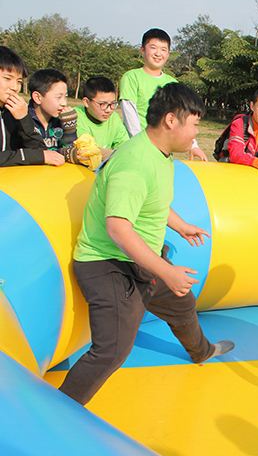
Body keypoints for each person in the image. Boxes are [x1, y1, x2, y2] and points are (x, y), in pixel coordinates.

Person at [58, 83, 234, 406]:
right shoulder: (136, 162)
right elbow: (118, 229)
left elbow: (153, 200)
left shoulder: (159, 153)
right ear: (171, 120)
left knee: (182, 302)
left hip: (141, 259)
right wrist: (166, 272)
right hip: (109, 264)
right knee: (112, 350)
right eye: (195, 124)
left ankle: (202, 351)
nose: (197, 132)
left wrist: (180, 225)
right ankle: (57, 413)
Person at [119, 28, 206, 162]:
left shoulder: (172, 83)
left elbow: (183, 117)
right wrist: (141, 143)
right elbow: (130, 114)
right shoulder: (131, 77)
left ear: (168, 54)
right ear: (142, 50)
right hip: (137, 147)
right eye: (153, 48)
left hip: (163, 149)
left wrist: (194, 146)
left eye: (163, 49)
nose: (158, 53)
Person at [0, 47, 63, 167]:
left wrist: (24, 119)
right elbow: (36, 155)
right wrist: (29, 156)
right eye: (7, 78)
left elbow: (39, 149)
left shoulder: (12, 111)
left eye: (19, 81)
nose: (14, 87)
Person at [217, 87, 258, 173]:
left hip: (250, 170)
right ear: (252, 106)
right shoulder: (239, 124)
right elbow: (236, 155)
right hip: (229, 169)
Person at [75, 76, 129, 162]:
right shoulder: (75, 117)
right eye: (102, 104)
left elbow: (126, 147)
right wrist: (117, 155)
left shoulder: (114, 118)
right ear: (86, 102)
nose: (108, 110)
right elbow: (87, 150)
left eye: (113, 104)